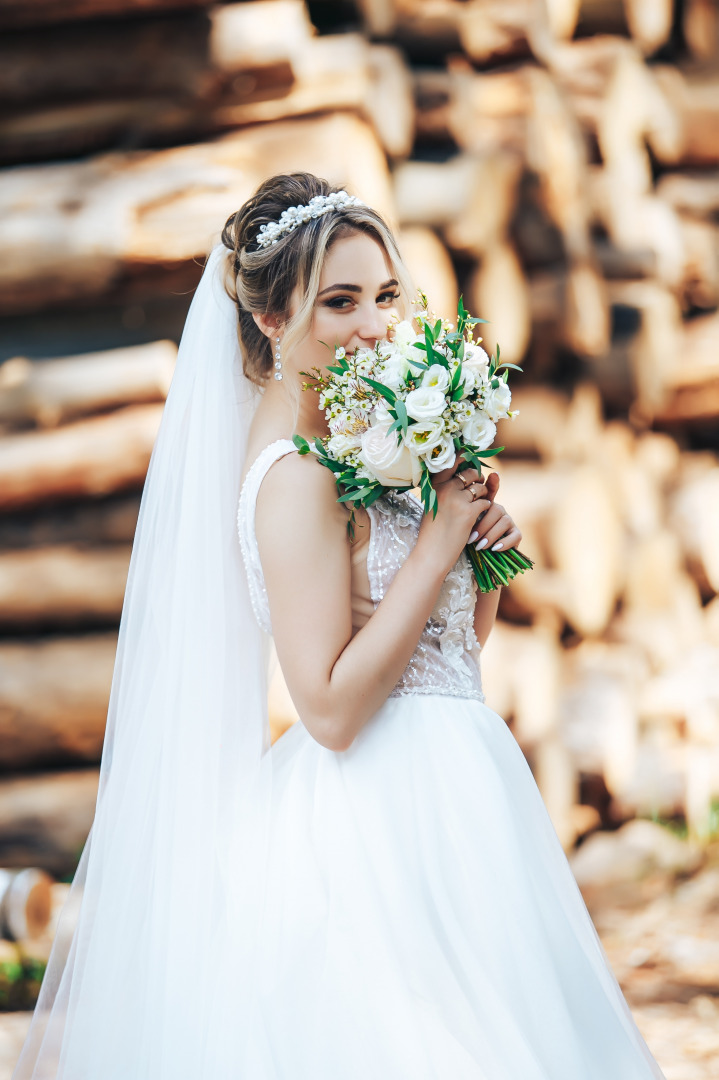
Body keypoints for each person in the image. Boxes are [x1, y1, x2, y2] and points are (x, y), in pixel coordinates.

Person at [13, 173, 665, 1079]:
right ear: (272, 322)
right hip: (376, 821)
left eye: (387, 294)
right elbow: (326, 707)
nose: (375, 324)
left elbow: (447, 657)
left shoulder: (354, 450)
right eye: (341, 300)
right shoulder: (292, 478)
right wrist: (435, 548)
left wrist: (477, 563)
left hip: (458, 790)